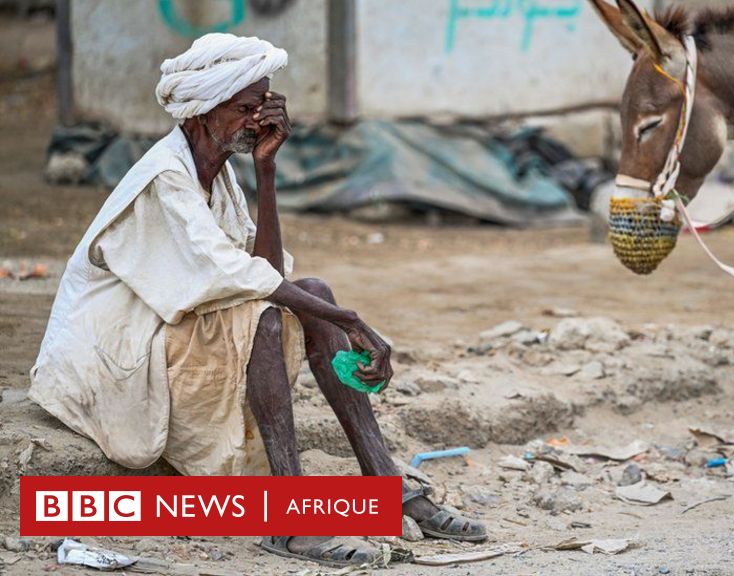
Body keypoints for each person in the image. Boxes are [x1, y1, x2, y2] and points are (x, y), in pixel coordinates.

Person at [29, 33, 485, 568]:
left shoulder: (218, 178)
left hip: (161, 337)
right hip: (109, 360)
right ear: (202, 112)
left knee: (312, 292)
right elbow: (234, 277)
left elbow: (265, 269)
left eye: (263, 108)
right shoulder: (164, 179)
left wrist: (266, 170)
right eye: (246, 109)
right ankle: (289, 520)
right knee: (268, 317)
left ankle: (387, 484)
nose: (258, 121)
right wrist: (351, 320)